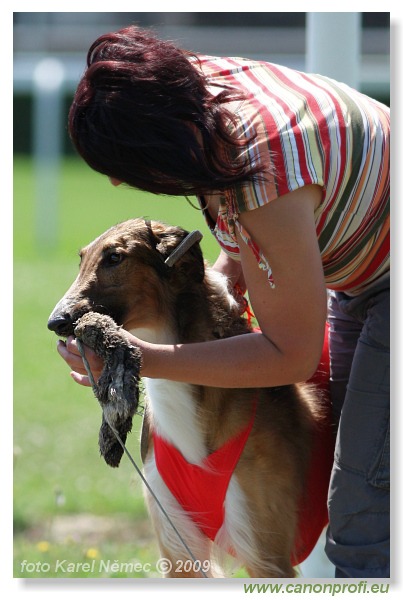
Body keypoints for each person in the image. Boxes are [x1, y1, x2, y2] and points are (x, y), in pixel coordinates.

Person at [56, 26, 390, 578]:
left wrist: (137, 357)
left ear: (155, 137)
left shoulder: (263, 169)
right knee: (347, 477)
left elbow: (291, 356)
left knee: (364, 517)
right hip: (360, 277)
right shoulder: (197, 95)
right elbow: (254, 236)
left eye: (121, 161)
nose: (117, 182)